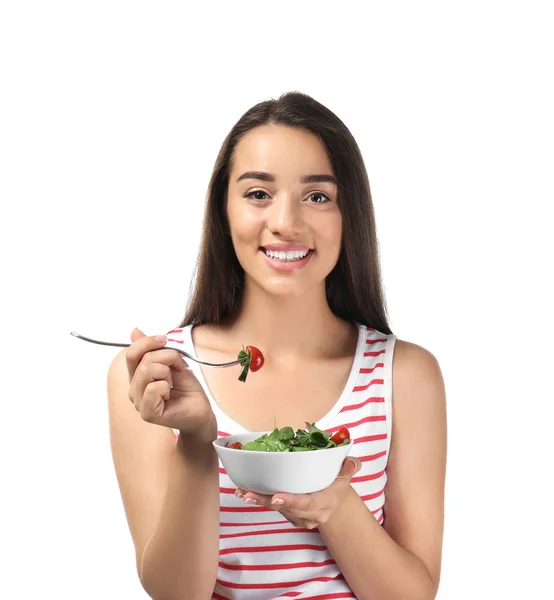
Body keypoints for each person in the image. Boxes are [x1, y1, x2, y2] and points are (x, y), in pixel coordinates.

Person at [107, 91, 447, 600]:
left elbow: (413, 595)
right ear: (223, 210)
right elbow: (176, 594)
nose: (286, 222)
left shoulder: (405, 375)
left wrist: (336, 506)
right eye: (258, 194)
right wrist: (199, 442)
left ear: (348, 215)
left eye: (317, 196)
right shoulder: (159, 375)